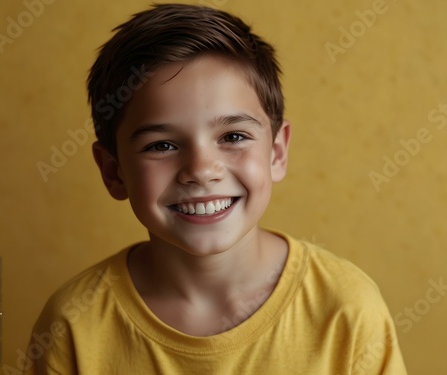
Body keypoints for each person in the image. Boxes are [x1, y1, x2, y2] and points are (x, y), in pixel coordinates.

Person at [24, 4, 407, 374]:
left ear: (276, 152)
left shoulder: (347, 310)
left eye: (234, 136)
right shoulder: (71, 326)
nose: (201, 170)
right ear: (113, 171)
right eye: (162, 145)